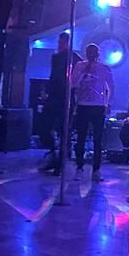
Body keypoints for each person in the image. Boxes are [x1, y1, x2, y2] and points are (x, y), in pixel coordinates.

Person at [71, 42, 114, 181]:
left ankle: (96, 169)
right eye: (89, 52)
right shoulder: (79, 66)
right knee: (81, 137)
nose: (91, 55)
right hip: (83, 105)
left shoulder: (104, 68)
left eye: (93, 53)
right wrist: (84, 72)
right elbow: (73, 83)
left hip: (98, 106)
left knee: (97, 139)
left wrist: (108, 103)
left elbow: (111, 86)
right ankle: (79, 167)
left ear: (97, 54)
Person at [42, 33, 79, 173]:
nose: (60, 44)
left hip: (65, 97)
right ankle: (54, 157)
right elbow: (53, 76)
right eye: (59, 41)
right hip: (54, 97)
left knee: (64, 131)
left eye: (62, 41)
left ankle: (59, 162)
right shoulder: (57, 57)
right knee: (45, 128)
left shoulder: (73, 57)